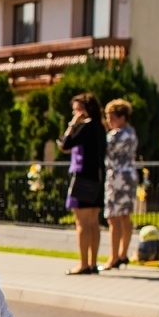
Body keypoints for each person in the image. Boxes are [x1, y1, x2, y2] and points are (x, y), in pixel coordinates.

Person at [57, 92, 105, 274]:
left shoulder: (86, 127)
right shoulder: (100, 127)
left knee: (82, 223)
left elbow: (65, 144)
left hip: (84, 178)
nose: (74, 113)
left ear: (84, 110)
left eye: (76, 110)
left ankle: (83, 263)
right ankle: (92, 262)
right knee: (93, 222)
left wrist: (72, 125)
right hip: (98, 178)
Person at [101, 99, 138, 269]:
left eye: (111, 117)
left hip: (117, 178)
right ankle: (122, 254)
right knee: (124, 216)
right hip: (128, 176)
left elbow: (103, 148)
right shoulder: (131, 132)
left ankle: (115, 256)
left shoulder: (117, 135)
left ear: (122, 117)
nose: (109, 121)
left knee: (114, 218)